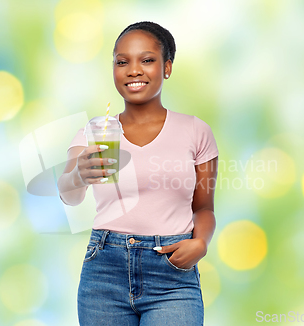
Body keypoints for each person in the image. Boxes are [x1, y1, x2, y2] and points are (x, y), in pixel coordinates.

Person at [57, 21, 218, 326]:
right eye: (122, 62)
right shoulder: (95, 131)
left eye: (147, 60)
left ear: (167, 67)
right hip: (104, 271)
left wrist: (201, 243)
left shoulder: (196, 131)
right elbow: (68, 194)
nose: (133, 70)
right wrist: (79, 173)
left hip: (172, 272)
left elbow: (204, 207)